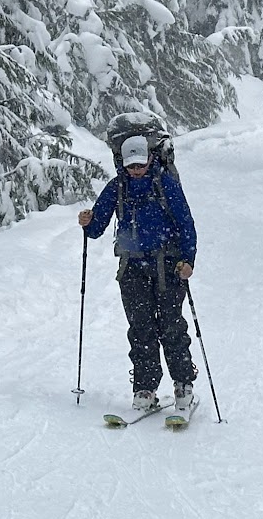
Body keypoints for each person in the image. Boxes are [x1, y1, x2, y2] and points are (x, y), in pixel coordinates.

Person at [79, 135, 199, 412]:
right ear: (123, 163)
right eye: (131, 165)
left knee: (171, 325)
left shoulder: (166, 184)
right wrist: (88, 222)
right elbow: (96, 228)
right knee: (141, 329)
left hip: (169, 267)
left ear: (150, 159)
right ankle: (145, 387)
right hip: (132, 268)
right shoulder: (117, 187)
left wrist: (187, 260)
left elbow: (186, 224)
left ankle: (183, 383)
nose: (136, 170)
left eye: (140, 164)